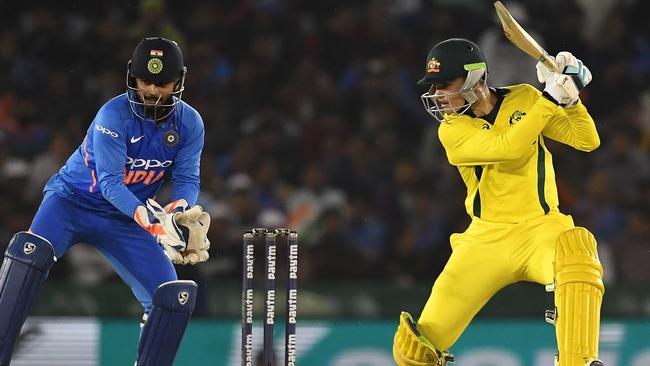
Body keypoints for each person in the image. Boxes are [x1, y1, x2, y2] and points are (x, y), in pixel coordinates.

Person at [392, 38, 604, 366]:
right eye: (433, 87)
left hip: (540, 228)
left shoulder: (525, 97)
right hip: (484, 240)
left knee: (577, 252)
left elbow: (587, 140)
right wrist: (551, 97)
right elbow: (508, 147)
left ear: (475, 78)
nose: (437, 96)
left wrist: (571, 99)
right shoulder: (452, 131)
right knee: (413, 351)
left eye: (444, 85)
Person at [0, 37, 211, 366]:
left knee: (172, 297)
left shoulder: (189, 123)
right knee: (30, 255)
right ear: (132, 78)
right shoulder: (113, 115)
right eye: (146, 82)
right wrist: (152, 220)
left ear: (179, 81)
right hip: (71, 203)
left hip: (123, 219)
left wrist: (179, 210)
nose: (154, 92)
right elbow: (111, 183)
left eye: (163, 83)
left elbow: (187, 179)